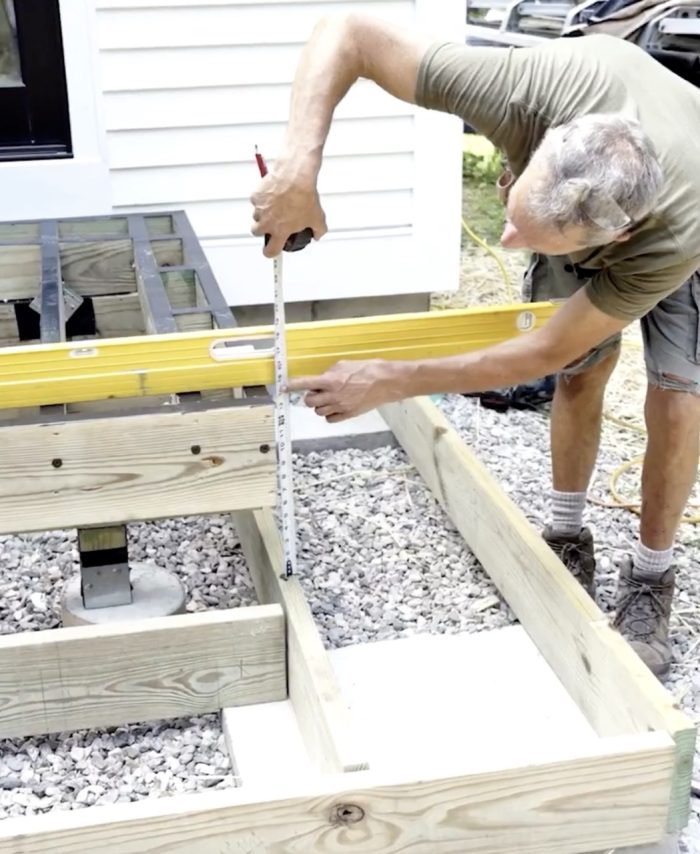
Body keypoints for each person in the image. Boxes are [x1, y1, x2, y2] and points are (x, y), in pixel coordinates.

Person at [249, 15, 700, 678]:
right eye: (510, 216)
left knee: (679, 395)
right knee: (582, 372)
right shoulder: (522, 89)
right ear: (538, 144)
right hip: (594, 145)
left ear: (615, 242)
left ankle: (651, 577)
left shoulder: (666, 242)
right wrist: (297, 170)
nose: (506, 243)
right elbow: (348, 34)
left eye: (530, 238)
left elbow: (540, 350)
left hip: (688, 207)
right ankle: (568, 534)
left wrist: (391, 379)